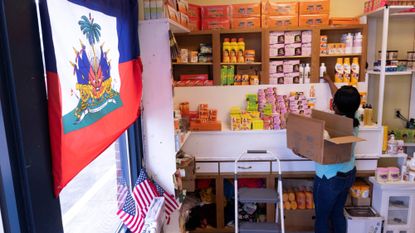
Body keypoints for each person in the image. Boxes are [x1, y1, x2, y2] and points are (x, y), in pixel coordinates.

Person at [293, 73, 361, 233]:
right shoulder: (355, 117)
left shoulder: (329, 128)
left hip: (328, 178)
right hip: (348, 174)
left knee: (322, 217)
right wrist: (329, 80)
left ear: (334, 106)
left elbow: (317, 151)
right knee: (337, 214)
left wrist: (300, 152)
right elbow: (340, 98)